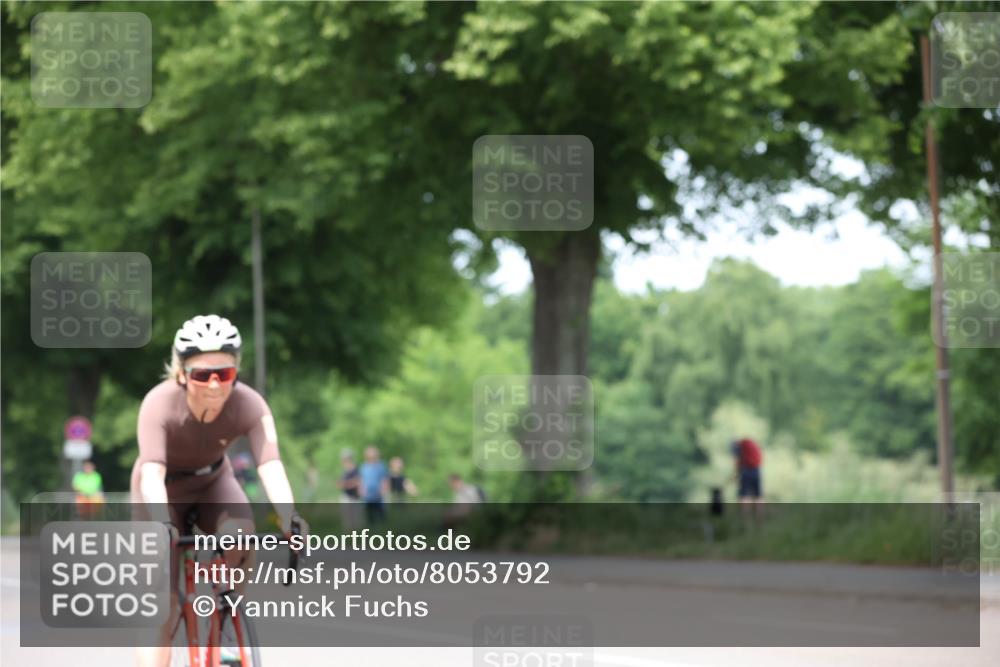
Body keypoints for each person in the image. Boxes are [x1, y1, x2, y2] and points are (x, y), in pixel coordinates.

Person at [129, 314, 307, 667]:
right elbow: (152, 471)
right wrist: (163, 524)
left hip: (213, 481)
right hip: (162, 490)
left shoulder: (250, 404)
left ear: (236, 372)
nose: (214, 385)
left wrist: (290, 517)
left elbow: (270, 464)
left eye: (224, 374)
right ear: (181, 373)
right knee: (161, 608)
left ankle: (227, 618)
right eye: (201, 374)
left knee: (241, 538)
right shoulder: (158, 404)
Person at [731, 437, 764, 519]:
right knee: (758, 495)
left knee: (744, 495)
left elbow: (737, 461)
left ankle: (744, 517)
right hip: (756, 470)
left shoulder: (738, 446)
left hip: (745, 471)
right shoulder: (749, 444)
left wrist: (737, 474)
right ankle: (759, 517)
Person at [359, 445, 389, 524]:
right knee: (370, 516)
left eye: (373, 454)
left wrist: (383, 489)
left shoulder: (380, 465)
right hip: (367, 496)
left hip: (378, 495)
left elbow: (384, 479)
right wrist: (362, 489)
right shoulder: (364, 466)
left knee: (381, 515)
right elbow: (361, 479)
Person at [338, 448, 362, 529]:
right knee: (347, 520)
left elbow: (357, 482)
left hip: (355, 497)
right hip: (346, 496)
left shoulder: (355, 469)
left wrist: (345, 484)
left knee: (356, 520)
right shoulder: (345, 470)